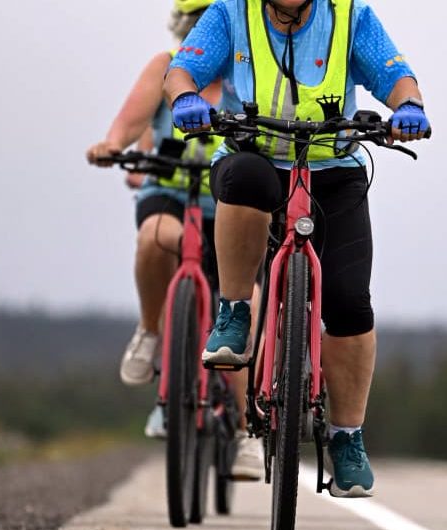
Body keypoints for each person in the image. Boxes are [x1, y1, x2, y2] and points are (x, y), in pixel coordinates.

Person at [163, 0, 431, 497]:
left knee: (350, 303)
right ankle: (236, 311)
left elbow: (396, 74)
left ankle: (347, 438)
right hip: (254, 156)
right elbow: (183, 70)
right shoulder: (232, 13)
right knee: (242, 178)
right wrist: (185, 99)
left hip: (333, 167)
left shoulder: (350, 16)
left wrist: (408, 107)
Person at [86, 0, 264, 480]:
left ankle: (248, 431)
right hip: (171, 193)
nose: (202, 33)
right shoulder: (167, 69)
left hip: (229, 206)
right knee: (152, 239)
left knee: (248, 301)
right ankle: (151, 332)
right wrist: (114, 144)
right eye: (194, 24)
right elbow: (134, 117)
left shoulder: (245, 72)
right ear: (182, 27)